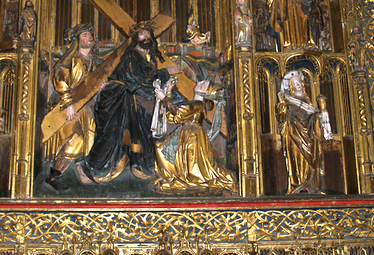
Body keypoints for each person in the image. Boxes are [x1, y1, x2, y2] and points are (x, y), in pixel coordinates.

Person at [77, 21, 182, 183]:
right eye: (142, 34)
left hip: (132, 98)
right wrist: (165, 72)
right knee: (113, 134)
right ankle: (90, 168)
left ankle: (146, 164)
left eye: (148, 34)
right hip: (116, 99)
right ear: (135, 38)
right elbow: (141, 78)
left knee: (149, 124)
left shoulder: (148, 58)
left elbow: (146, 82)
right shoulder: (132, 54)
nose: (146, 37)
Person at [152, 80, 235, 194]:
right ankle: (171, 177)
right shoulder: (194, 103)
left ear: (205, 91)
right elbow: (175, 117)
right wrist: (169, 93)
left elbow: (179, 113)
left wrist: (164, 98)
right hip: (187, 133)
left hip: (193, 136)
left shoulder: (198, 104)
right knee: (160, 146)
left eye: (203, 83)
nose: (199, 81)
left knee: (191, 163)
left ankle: (181, 179)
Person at [43, 24, 98, 190]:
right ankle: (54, 176)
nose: (89, 37)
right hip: (66, 105)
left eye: (90, 35)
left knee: (89, 138)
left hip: (86, 107)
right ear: (78, 39)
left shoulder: (93, 62)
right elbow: (60, 80)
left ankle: (81, 170)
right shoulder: (71, 58)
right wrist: (68, 103)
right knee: (76, 137)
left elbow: (92, 84)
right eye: (85, 35)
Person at [275, 70, 331, 194]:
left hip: (310, 137)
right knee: (298, 158)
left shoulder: (308, 101)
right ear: (291, 87)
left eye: (299, 82)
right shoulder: (289, 101)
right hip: (294, 136)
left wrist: (321, 110)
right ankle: (298, 185)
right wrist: (282, 102)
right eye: (295, 83)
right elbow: (281, 117)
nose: (298, 85)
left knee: (312, 159)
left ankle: (312, 186)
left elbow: (315, 118)